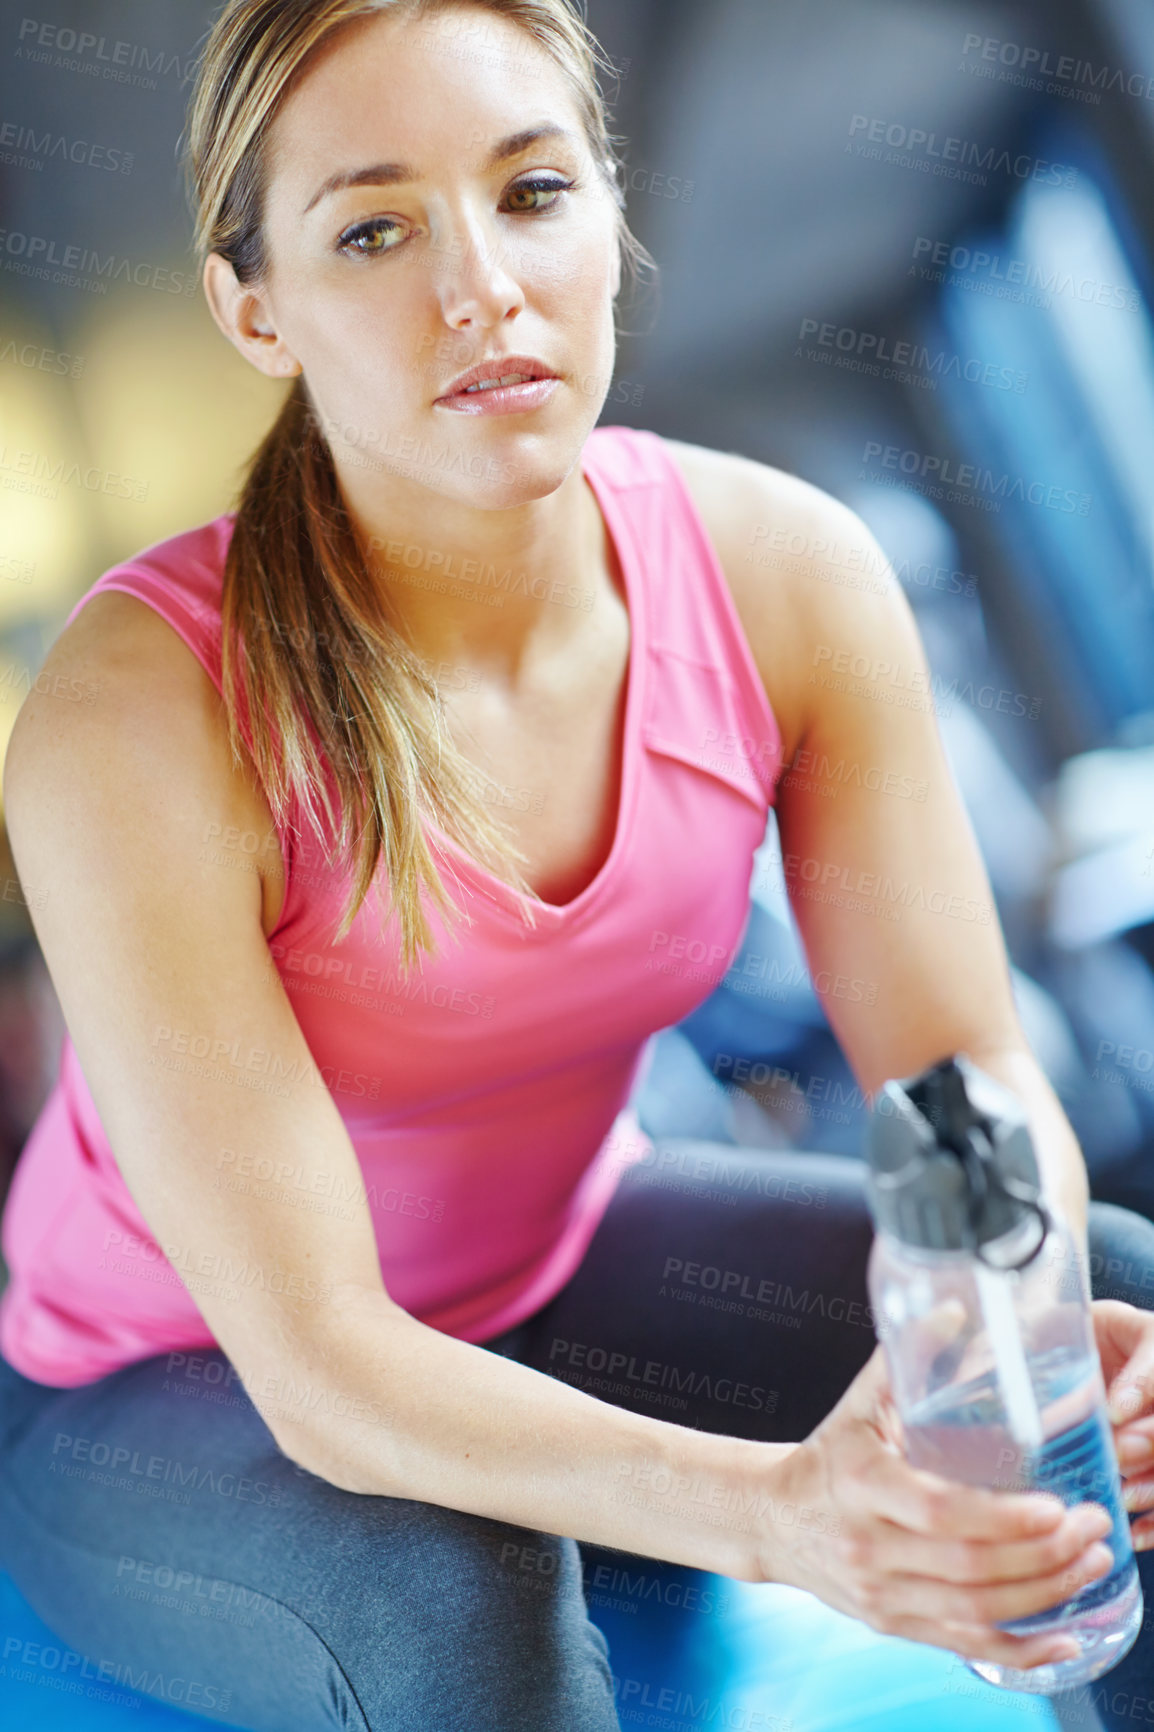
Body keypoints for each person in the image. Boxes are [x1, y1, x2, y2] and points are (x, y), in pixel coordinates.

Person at [3, 2, 1154, 1728]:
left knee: (1113, 1299)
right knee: (453, 1573)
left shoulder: (788, 578)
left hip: (552, 1269)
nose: (481, 286)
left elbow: (958, 1078)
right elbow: (318, 1361)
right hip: (177, 1383)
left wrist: (999, 1341)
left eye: (530, 192)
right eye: (375, 228)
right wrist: (789, 1520)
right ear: (258, 308)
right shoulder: (136, 711)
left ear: (607, 214)